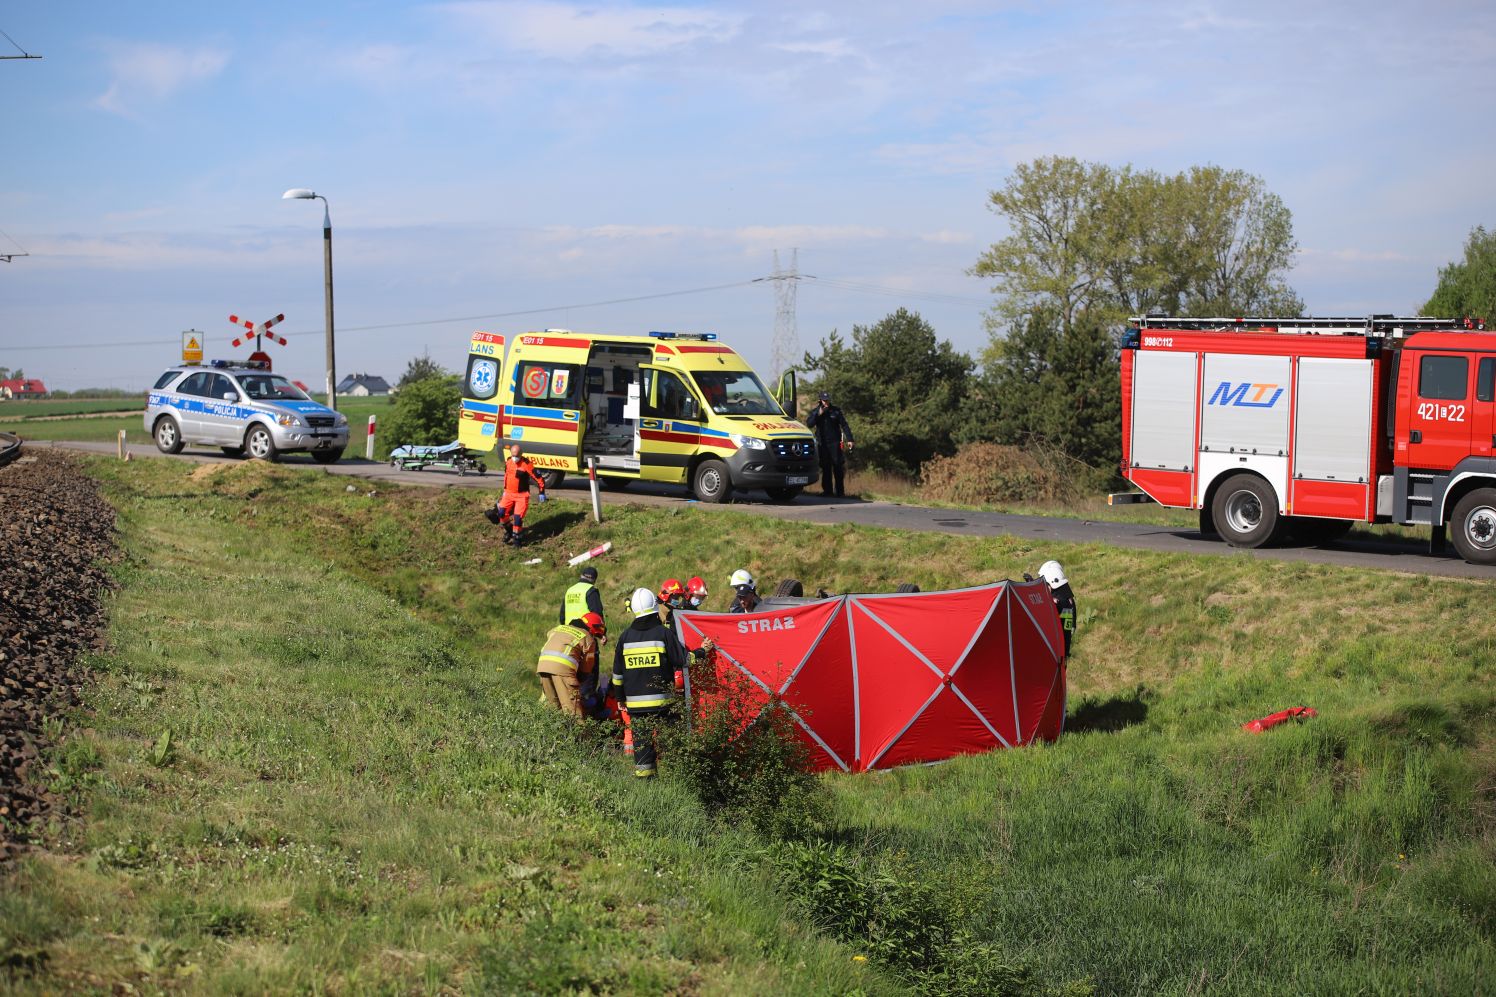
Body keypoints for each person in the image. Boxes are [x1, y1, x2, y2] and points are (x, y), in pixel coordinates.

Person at [612, 588, 691, 778]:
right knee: (670, 744)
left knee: (642, 750)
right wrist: (702, 652)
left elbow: (617, 675)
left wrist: (620, 698)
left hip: (636, 706)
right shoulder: (663, 634)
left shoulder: (625, 638)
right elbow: (683, 660)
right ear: (655, 608)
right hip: (663, 705)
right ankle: (676, 780)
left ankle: (646, 785)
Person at [536, 612, 607, 719]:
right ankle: (579, 735)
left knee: (553, 708)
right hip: (562, 670)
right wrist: (576, 683)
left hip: (542, 667)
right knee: (573, 712)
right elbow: (586, 669)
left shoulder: (558, 628)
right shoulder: (588, 638)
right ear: (592, 629)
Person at [486, 443, 547, 547]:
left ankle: (517, 540)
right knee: (501, 514)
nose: (515, 458)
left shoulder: (527, 464)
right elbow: (506, 476)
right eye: (513, 455)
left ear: (521, 454)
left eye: (517, 456)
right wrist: (505, 490)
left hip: (521, 496)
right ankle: (510, 531)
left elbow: (539, 478)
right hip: (509, 494)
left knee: (518, 518)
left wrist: (541, 492)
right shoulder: (509, 461)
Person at [805, 390, 855, 498]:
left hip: (835, 443)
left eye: (827, 400)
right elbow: (809, 424)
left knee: (838, 467)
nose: (826, 402)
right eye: (824, 400)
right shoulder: (815, 412)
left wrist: (850, 439)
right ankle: (827, 491)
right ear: (820, 400)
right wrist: (818, 415)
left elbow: (844, 425)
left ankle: (840, 492)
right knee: (826, 468)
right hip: (822, 444)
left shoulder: (836, 411)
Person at [1037, 560, 1077, 658]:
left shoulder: (1062, 603)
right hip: (1062, 651)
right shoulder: (1067, 599)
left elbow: (1065, 630)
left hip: (1055, 652)